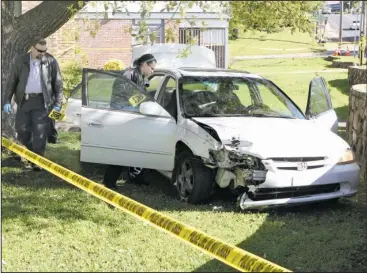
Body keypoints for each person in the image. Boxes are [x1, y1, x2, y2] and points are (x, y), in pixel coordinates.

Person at [3, 38, 63, 171]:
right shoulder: (21, 61)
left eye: (45, 50)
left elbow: (58, 83)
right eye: (40, 50)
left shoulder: (50, 61)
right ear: (32, 48)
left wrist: (58, 104)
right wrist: (6, 100)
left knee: (40, 133)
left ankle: (38, 162)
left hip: (42, 102)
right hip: (24, 101)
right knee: (21, 131)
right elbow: (12, 82)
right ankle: (32, 156)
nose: (42, 53)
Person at [103, 53, 157, 189]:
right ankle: (109, 182)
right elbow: (130, 98)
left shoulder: (139, 75)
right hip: (122, 116)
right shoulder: (128, 74)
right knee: (122, 149)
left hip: (130, 115)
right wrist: (145, 97)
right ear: (143, 64)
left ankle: (135, 177)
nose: (153, 71)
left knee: (136, 147)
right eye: (152, 68)